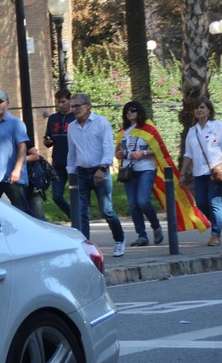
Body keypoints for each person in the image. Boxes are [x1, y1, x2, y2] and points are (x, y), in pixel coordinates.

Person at [66, 93, 126, 256]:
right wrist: (71, 173)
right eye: (73, 107)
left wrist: (103, 168)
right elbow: (72, 152)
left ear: (88, 106)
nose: (74, 109)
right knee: (81, 212)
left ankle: (119, 239)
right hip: (81, 172)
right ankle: (85, 247)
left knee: (106, 210)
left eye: (77, 106)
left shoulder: (101, 122)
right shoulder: (72, 127)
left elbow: (108, 147)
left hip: (100, 170)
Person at [114, 101, 164, 246]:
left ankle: (156, 226)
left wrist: (143, 153)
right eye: (127, 111)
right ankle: (141, 235)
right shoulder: (123, 130)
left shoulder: (148, 128)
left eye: (133, 110)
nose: (130, 113)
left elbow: (159, 150)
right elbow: (117, 151)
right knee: (133, 204)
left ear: (139, 111)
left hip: (146, 168)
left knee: (143, 201)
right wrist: (119, 153)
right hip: (128, 170)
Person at [180, 97, 222, 246]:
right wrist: (182, 174)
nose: (199, 110)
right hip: (199, 172)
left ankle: (215, 234)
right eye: (196, 108)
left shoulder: (218, 126)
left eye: (202, 107)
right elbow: (188, 154)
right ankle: (219, 224)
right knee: (202, 204)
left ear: (209, 110)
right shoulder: (192, 131)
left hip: (215, 172)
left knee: (214, 202)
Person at [43, 89, 75, 218]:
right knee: (56, 195)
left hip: (73, 163)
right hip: (58, 163)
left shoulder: (75, 118)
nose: (60, 105)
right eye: (58, 102)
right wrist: (47, 141)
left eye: (63, 101)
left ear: (69, 101)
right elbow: (48, 139)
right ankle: (73, 216)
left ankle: (80, 220)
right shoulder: (53, 118)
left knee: (76, 196)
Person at [25, 141, 46, 220]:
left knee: (23, 205)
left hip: (28, 177)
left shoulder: (18, 133)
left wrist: (18, 159)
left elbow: (35, 155)